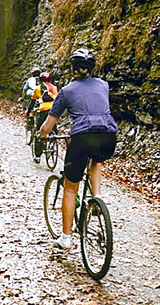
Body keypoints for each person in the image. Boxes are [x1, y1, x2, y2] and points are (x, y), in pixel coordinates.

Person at [39, 48, 118, 249]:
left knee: (70, 187)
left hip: (83, 137)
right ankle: (96, 198)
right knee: (96, 159)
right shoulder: (104, 85)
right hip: (109, 136)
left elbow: (48, 125)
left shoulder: (66, 91)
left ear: (73, 69)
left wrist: (40, 136)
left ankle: (66, 238)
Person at [26, 71, 58, 163]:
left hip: (43, 111)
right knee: (54, 129)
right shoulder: (54, 88)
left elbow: (32, 102)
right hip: (54, 111)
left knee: (39, 132)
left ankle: (38, 156)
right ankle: (52, 144)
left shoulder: (37, 88)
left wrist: (28, 111)